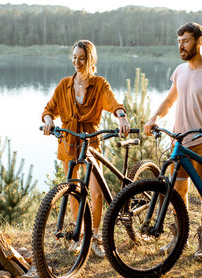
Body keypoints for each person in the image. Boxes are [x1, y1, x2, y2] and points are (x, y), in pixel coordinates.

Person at [145, 22, 202, 261]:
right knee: (178, 191)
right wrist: (155, 116)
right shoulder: (180, 71)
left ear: (200, 41)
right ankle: (181, 237)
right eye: (178, 41)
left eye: (185, 40)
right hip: (179, 141)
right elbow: (169, 101)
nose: (181, 46)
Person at [41, 39, 130, 258]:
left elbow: (113, 103)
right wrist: (48, 120)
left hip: (91, 140)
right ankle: (78, 234)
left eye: (81, 58)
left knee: (96, 192)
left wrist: (121, 117)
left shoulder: (99, 84)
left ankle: (97, 236)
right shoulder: (64, 84)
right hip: (68, 140)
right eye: (74, 57)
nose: (77, 62)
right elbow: (49, 109)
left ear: (90, 59)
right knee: (72, 189)